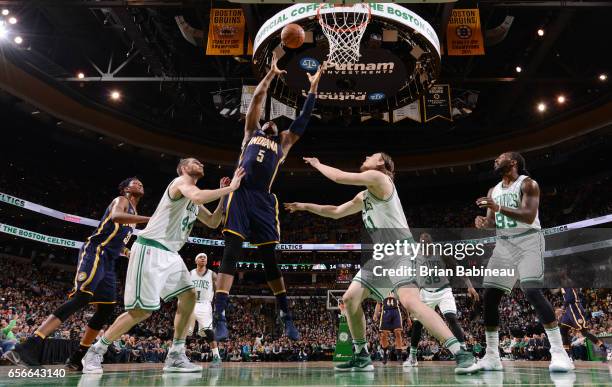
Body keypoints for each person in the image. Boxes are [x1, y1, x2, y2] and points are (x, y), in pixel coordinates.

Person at [284, 153, 477, 374]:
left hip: (402, 251)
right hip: (382, 256)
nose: (365, 156)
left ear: (381, 163)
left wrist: (318, 164)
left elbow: (338, 177)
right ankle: (362, 355)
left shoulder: (380, 179)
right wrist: (304, 206)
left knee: (411, 303)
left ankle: (461, 353)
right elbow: (336, 212)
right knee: (349, 300)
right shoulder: (365, 195)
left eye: (371, 155)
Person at [81, 159, 244, 373]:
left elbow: (214, 222)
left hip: (171, 254)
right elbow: (196, 195)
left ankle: (175, 354)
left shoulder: (194, 199)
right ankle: (96, 351)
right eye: (195, 162)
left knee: (189, 295)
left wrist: (224, 195)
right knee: (141, 312)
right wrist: (232, 187)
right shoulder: (180, 182)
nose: (200, 164)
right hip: (151, 249)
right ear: (184, 168)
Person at [214, 53, 325, 342]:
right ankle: (219, 315)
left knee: (270, 259)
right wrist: (271, 74)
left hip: (263, 200)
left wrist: (314, 87)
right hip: (240, 193)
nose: (272, 123)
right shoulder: (251, 132)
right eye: (269, 122)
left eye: (276, 124)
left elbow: (302, 121)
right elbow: (257, 100)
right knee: (231, 253)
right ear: (263, 125)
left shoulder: (283, 144)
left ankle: (286, 314)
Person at [3, 178, 150, 368]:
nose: (140, 185)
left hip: (109, 261)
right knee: (82, 298)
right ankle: (27, 347)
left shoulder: (134, 216)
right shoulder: (121, 201)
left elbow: (119, 244)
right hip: (96, 252)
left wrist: (129, 253)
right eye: (135, 183)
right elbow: (115, 216)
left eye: (141, 184)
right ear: (125, 188)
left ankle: (77, 357)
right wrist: (149, 219)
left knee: (107, 308)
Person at [472, 151, 573, 372]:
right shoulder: (493, 190)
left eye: (500, 158)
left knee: (531, 291)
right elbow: (492, 222)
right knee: (489, 296)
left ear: (513, 162)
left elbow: (528, 215)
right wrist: (483, 222)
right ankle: (491, 356)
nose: (495, 160)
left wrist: (498, 208)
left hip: (528, 241)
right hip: (504, 245)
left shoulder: (528, 184)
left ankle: (559, 353)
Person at [404, 232, 480, 368]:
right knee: (418, 324)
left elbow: (457, 267)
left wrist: (469, 286)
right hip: (425, 293)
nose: (425, 248)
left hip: (443, 291)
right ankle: (413, 356)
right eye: (423, 245)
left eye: (427, 245)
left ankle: (464, 351)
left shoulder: (441, 253)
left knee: (451, 318)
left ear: (431, 244)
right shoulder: (415, 257)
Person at [187, 252, 222, 367]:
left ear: (206, 261)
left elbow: (218, 291)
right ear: (196, 260)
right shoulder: (191, 273)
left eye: (205, 257)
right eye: (200, 257)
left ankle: (216, 356)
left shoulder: (212, 274)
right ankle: (180, 355)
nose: (203, 258)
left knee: (208, 331)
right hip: (191, 303)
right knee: (186, 331)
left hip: (205, 304)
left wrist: (218, 306)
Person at [557, 288, 610, 360]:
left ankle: (605, 348)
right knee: (563, 329)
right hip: (569, 310)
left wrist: (563, 307)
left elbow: (571, 299)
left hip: (575, 308)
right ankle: (568, 356)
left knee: (584, 332)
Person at [372, 292, 406, 364]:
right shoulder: (382, 289)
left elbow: (403, 302)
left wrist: (408, 316)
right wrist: (375, 314)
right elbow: (378, 303)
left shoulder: (397, 288)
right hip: (385, 311)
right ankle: (385, 353)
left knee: (398, 333)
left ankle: (399, 356)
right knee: (383, 335)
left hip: (396, 311)